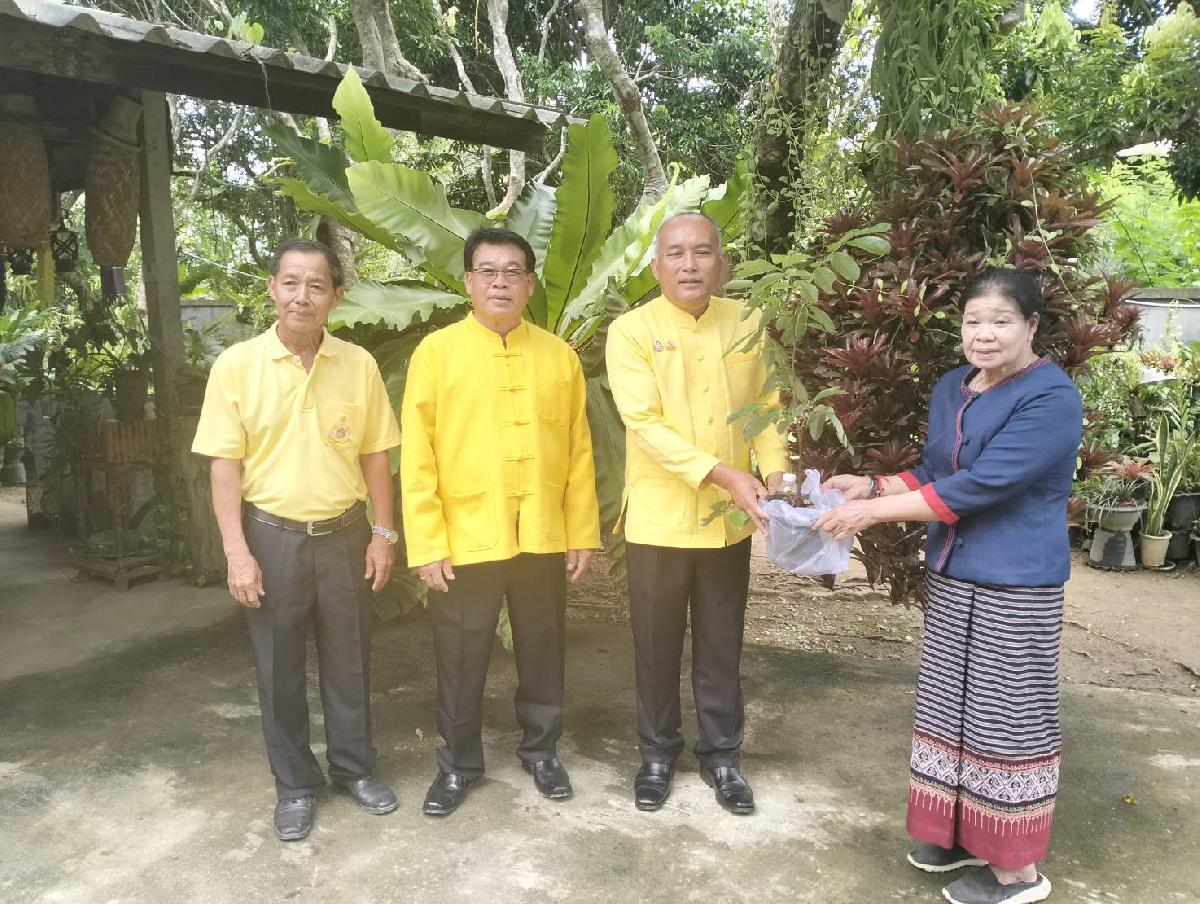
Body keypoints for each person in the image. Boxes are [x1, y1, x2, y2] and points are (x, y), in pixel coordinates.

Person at [814, 268, 1081, 904]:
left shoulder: (1051, 397)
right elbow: (938, 471)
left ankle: (1017, 871)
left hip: (1016, 581)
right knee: (950, 708)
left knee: (1006, 717)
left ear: (1031, 326)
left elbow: (980, 486)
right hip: (955, 573)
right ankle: (959, 834)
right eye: (972, 321)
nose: (984, 334)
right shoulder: (952, 387)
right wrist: (872, 485)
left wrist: (871, 513)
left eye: (1001, 321)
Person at [192, 239, 402, 841]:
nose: (302, 296)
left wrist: (383, 533)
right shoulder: (237, 366)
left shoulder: (357, 365)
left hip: (346, 535)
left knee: (350, 660)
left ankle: (355, 770)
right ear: (272, 288)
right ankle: (294, 786)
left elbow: (376, 456)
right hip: (271, 537)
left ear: (336, 295)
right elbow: (224, 467)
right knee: (278, 669)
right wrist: (236, 551)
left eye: (316, 285)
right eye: (291, 283)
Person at [401, 227, 600, 816]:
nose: (500, 282)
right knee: (461, 655)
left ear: (530, 284)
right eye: (487, 271)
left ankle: (542, 750)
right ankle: (458, 765)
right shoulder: (437, 353)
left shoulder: (559, 356)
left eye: (513, 272)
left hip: (541, 531)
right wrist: (427, 541)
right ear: (468, 281)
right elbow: (417, 454)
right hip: (466, 535)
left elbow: (580, 450)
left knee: (543, 647)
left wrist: (581, 532)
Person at [605, 212, 789, 815]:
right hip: (658, 520)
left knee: (720, 645)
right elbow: (643, 423)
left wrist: (775, 471)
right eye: (677, 253)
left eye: (702, 252)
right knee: (656, 646)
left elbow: (766, 405)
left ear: (721, 262)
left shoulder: (749, 321)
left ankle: (723, 758)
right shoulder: (631, 331)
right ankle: (657, 756)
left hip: (727, 525)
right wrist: (726, 474)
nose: (690, 265)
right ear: (655, 265)